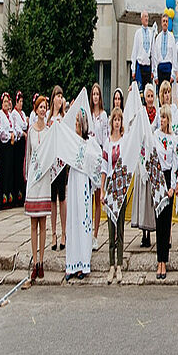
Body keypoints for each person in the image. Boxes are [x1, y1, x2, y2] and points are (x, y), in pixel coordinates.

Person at [64, 108, 99, 282]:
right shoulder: (71, 141)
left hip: (84, 181)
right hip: (73, 181)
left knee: (84, 220)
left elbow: (97, 159)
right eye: (76, 122)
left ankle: (84, 262)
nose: (76, 125)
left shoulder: (89, 142)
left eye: (78, 122)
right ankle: (72, 262)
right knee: (73, 221)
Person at [23, 95, 52, 286]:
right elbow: (28, 154)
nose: (42, 110)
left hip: (45, 178)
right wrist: (27, 175)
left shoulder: (49, 131)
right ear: (36, 109)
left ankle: (42, 260)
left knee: (43, 222)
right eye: (40, 107)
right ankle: (34, 260)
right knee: (34, 223)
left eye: (45, 107)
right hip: (34, 178)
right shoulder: (31, 131)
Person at [153, 105, 178, 279]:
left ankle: (165, 260)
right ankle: (159, 261)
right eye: (160, 117)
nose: (162, 120)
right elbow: (152, 158)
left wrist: (173, 186)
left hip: (169, 177)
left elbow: (176, 163)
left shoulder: (173, 139)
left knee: (167, 222)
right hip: (158, 178)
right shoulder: (155, 136)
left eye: (164, 117)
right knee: (159, 222)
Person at [132, 83, 159, 247]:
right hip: (141, 159)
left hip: (152, 159)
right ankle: (144, 233)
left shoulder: (157, 115)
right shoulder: (141, 114)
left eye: (151, 96)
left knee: (150, 197)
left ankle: (151, 229)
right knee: (142, 195)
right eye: (147, 96)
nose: (149, 99)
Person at [102, 107, 127, 283]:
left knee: (120, 226)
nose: (117, 122)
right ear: (112, 122)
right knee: (111, 227)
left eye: (119, 120)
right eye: (115, 120)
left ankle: (119, 263)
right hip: (111, 184)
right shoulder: (107, 142)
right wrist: (102, 189)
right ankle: (111, 264)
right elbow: (104, 167)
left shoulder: (124, 142)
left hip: (121, 186)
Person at [46, 87, 68, 251]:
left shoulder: (63, 118)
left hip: (61, 162)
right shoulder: (48, 119)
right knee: (52, 199)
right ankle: (53, 232)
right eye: (57, 96)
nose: (59, 99)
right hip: (50, 163)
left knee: (62, 198)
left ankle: (63, 232)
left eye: (61, 97)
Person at [89, 83, 108, 245]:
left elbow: (105, 139)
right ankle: (87, 232)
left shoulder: (103, 115)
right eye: (93, 94)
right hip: (89, 158)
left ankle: (95, 235)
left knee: (97, 199)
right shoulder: (88, 114)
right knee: (87, 198)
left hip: (99, 158)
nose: (95, 96)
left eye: (97, 94)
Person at [0, 92, 16, 210]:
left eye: (8, 102)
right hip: (4, 145)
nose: (7, 104)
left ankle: (9, 197)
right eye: (5, 102)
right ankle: (3, 199)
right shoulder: (0, 115)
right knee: (4, 171)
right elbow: (1, 130)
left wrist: (13, 135)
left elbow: (12, 128)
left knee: (10, 172)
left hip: (11, 145)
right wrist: (9, 135)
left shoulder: (10, 116)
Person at [11, 91, 29, 215]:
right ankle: (17, 195)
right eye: (19, 101)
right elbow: (19, 126)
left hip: (23, 142)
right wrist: (22, 131)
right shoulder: (14, 114)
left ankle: (22, 194)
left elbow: (25, 124)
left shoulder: (22, 113)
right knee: (17, 168)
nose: (21, 104)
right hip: (18, 142)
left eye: (22, 102)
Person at [131, 10, 155, 89]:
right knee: (139, 89)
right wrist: (133, 69)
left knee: (148, 89)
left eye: (147, 17)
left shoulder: (151, 33)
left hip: (147, 66)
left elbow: (153, 52)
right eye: (145, 17)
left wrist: (153, 70)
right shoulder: (138, 33)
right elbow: (134, 51)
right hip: (140, 66)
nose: (146, 19)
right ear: (141, 19)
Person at [153, 13, 177, 86]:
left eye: (166, 21)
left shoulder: (171, 37)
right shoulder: (158, 38)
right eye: (164, 21)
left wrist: (173, 74)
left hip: (168, 68)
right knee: (161, 93)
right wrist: (155, 75)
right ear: (161, 22)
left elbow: (174, 56)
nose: (165, 23)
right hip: (160, 68)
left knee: (168, 94)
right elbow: (155, 57)